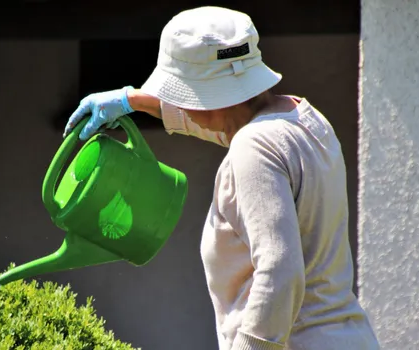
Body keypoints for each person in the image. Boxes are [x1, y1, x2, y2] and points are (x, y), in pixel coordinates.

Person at [63, 6, 381, 350]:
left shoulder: (253, 147)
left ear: (202, 96)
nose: (178, 104)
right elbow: (227, 125)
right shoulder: (302, 118)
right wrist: (133, 100)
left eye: (180, 94)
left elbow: (280, 273)